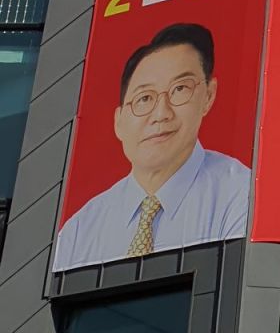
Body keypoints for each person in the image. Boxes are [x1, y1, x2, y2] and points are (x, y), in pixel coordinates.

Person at [53, 22, 250, 271]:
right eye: (144, 98)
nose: (161, 114)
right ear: (119, 122)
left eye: (179, 89)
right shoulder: (79, 231)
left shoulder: (240, 194)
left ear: (208, 95)